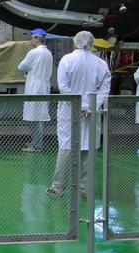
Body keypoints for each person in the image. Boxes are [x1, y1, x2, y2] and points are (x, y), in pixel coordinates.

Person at [47, 31, 110, 200]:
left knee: (66, 148)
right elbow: (105, 89)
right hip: (92, 112)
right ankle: (84, 190)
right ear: (92, 43)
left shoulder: (66, 60)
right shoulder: (101, 63)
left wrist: (80, 106)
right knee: (88, 151)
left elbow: (64, 87)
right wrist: (92, 106)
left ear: (75, 42)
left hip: (70, 110)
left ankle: (58, 187)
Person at [16, 29, 53, 153]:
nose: (30, 40)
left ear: (37, 38)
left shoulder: (34, 52)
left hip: (34, 87)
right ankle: (36, 142)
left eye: (31, 38)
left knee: (35, 118)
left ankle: (37, 146)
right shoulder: (48, 53)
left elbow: (21, 67)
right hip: (44, 86)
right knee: (38, 117)